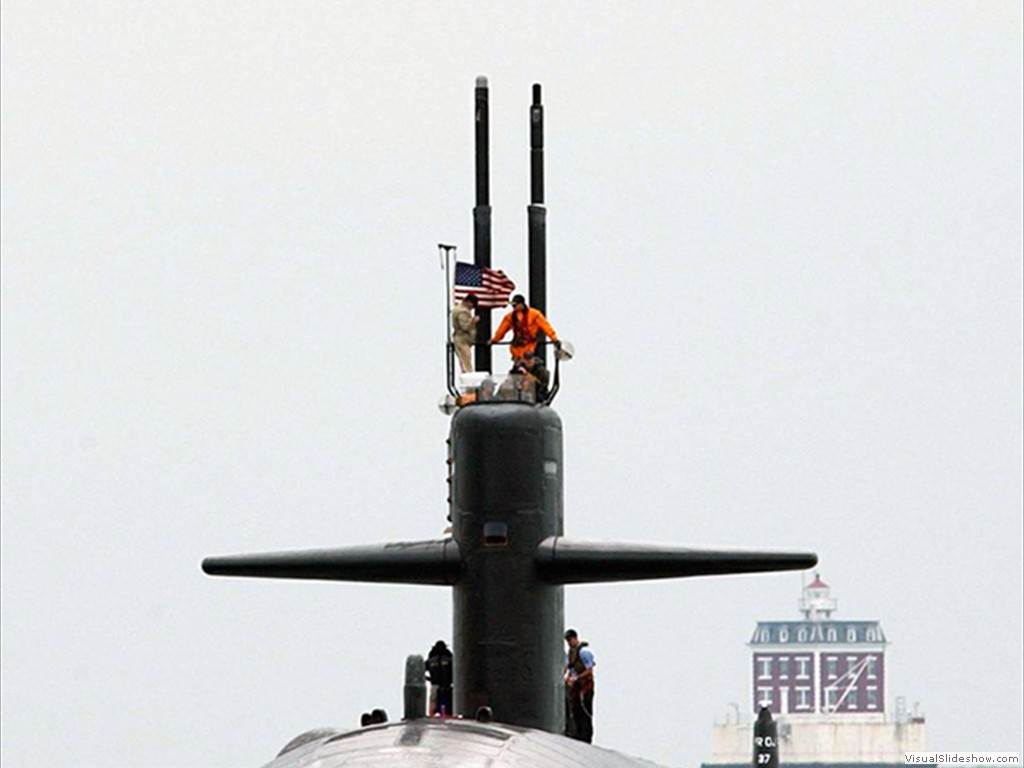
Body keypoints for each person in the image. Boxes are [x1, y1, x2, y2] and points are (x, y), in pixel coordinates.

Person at [490, 294, 558, 362]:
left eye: (515, 304)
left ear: (521, 304)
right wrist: (494, 340)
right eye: (513, 305)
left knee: (528, 362)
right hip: (516, 348)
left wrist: (554, 338)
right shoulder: (510, 317)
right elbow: (501, 330)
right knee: (518, 366)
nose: (513, 306)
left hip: (529, 346)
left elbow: (546, 326)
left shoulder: (534, 314)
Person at [563, 628, 595, 743]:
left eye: (570, 640)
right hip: (576, 688)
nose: (569, 643)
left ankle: (586, 737)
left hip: (585, 688)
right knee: (576, 711)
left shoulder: (584, 652)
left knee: (585, 712)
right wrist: (567, 677)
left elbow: (589, 670)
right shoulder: (571, 653)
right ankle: (578, 734)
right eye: (567, 641)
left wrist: (576, 678)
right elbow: (570, 667)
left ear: (576, 638)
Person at [452, 295, 480, 372]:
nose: (473, 307)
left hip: (462, 339)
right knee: (466, 363)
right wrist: (473, 321)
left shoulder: (458, 308)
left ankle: (468, 377)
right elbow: (465, 327)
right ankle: (469, 380)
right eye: (473, 305)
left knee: (465, 361)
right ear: (468, 302)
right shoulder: (462, 311)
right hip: (462, 340)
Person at [426, 640, 454, 716]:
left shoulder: (431, 660)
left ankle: (433, 714)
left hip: (435, 686)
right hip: (447, 685)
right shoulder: (449, 659)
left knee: (433, 703)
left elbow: (420, 670)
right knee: (448, 704)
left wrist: (429, 679)